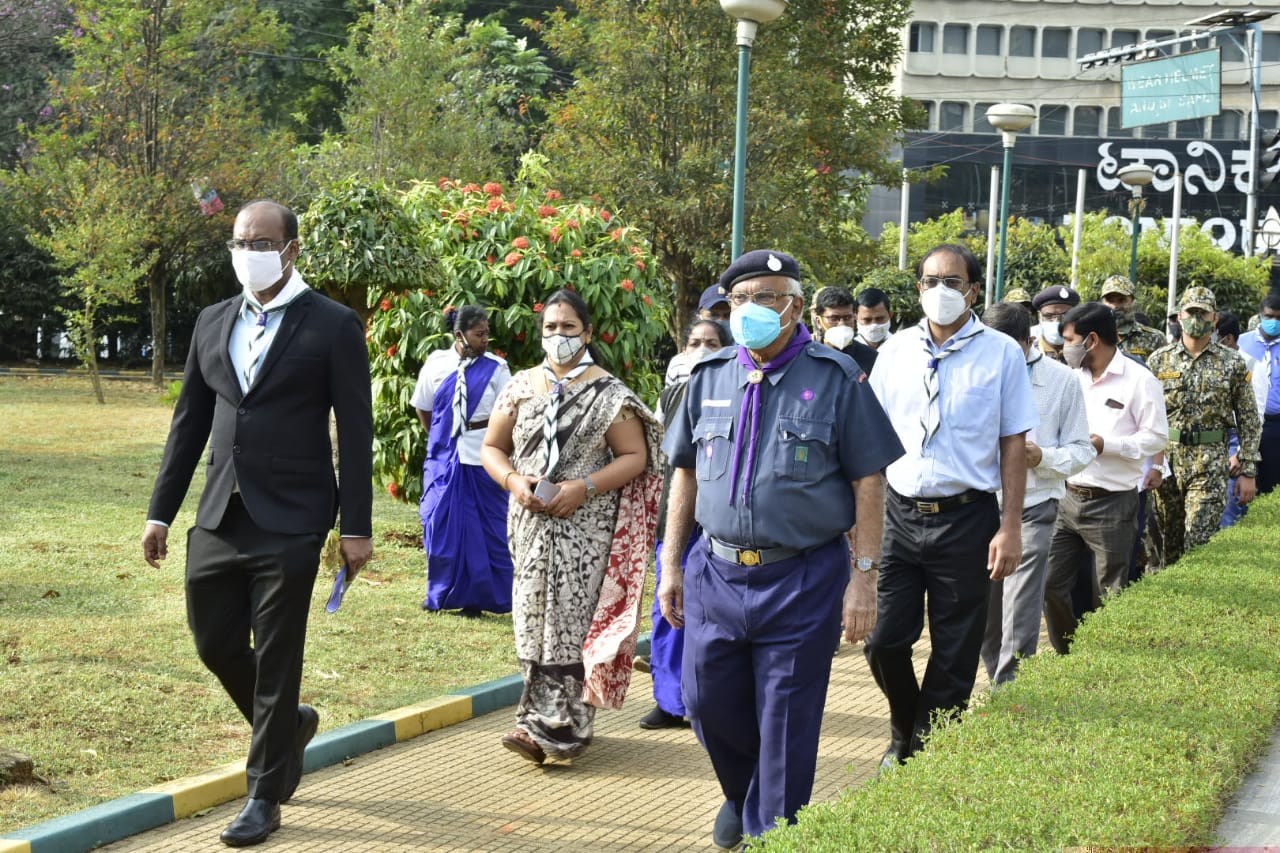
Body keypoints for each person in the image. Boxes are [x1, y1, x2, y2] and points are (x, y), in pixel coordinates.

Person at [142, 200, 373, 847]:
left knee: (277, 657)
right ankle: (289, 725)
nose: (250, 251)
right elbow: (188, 421)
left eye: (263, 241)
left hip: (293, 518)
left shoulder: (331, 324)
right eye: (241, 241)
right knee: (214, 643)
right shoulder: (213, 320)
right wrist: (161, 510)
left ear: (292, 249)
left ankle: (263, 796)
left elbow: (356, 431)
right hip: (219, 513)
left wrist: (356, 525)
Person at [659, 249, 903, 848]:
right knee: (704, 702)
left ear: (795, 306)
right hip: (714, 571)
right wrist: (669, 566)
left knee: (786, 719)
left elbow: (869, 479)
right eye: (739, 300)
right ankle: (743, 792)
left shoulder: (836, 378)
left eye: (763, 298)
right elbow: (684, 475)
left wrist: (864, 578)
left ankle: (773, 832)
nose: (748, 310)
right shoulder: (707, 376)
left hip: (801, 576)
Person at [865, 243, 1036, 769]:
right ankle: (908, 726)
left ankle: (921, 752)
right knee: (883, 642)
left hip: (968, 518)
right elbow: (870, 438)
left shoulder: (1002, 354)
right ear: (917, 288)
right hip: (899, 513)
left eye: (953, 282)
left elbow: (1013, 443)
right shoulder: (893, 352)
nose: (940, 291)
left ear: (974, 290)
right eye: (930, 280)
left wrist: (1010, 526)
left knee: (955, 651)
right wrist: (860, 525)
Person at [481, 288, 662, 765]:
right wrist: (514, 481)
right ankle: (540, 719)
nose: (558, 336)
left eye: (568, 328)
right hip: (530, 526)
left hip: (586, 528)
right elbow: (491, 449)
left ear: (587, 333)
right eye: (550, 328)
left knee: (571, 624)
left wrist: (584, 487)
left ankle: (555, 727)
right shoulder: (520, 386)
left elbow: (635, 457)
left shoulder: (610, 394)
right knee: (530, 620)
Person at [1042, 303, 1167, 655]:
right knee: (1049, 584)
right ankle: (1069, 655)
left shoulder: (1139, 380)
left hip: (1113, 502)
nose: (1064, 346)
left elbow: (1156, 438)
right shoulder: (1071, 377)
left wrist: (1105, 445)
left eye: (1069, 339)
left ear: (1092, 340)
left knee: (1109, 593)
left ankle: (1103, 663)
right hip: (1067, 499)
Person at [979, 303, 1094, 684]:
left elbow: (1082, 449)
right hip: (978, 508)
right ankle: (996, 677)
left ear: (1029, 342)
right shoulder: (971, 372)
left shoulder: (1062, 381)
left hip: (1033, 507)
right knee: (984, 612)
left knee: (1021, 606)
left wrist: (1043, 457)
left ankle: (1010, 694)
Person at [641, 318, 733, 730]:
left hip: (723, 521)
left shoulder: (740, 390)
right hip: (676, 520)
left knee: (716, 613)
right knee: (670, 609)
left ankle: (708, 700)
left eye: (711, 343)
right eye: (693, 342)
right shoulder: (672, 392)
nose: (700, 350)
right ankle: (670, 699)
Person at [1147, 287, 1261, 564]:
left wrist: (1248, 470)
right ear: (1179, 316)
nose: (1196, 318)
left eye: (1203, 313)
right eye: (1191, 312)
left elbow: (1248, 419)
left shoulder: (1232, 362)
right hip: (1167, 459)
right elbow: (1146, 414)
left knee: (1198, 539)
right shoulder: (1158, 360)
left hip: (1209, 459)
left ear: (1214, 319)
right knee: (1166, 544)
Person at [411, 305, 513, 615]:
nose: (485, 340)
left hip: (483, 455)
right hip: (444, 456)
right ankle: (440, 593)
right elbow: (424, 407)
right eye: (479, 334)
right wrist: (444, 435)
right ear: (459, 335)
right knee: (439, 524)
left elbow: (509, 414)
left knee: (486, 531)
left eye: (487, 334)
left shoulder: (497, 368)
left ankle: (477, 600)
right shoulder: (436, 363)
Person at [1237, 293, 1280, 495]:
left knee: (1271, 483)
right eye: (1269, 316)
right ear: (1260, 315)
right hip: (1245, 422)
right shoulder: (1241, 343)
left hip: (1276, 424)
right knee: (1241, 479)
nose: (1274, 322)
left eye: (1279, 318)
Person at [1216, 312, 1249, 529]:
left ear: (1227, 339)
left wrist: (1240, 454)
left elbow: (1253, 418)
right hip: (1212, 441)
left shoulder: (1248, 365)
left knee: (1228, 515)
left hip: (1235, 442)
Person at [664, 284, 733, 386]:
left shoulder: (749, 357)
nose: (720, 321)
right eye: (713, 315)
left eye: (727, 315)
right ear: (699, 317)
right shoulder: (679, 365)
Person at [813, 284, 878, 376]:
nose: (842, 324)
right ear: (819, 322)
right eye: (834, 318)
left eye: (847, 318)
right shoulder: (807, 358)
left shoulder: (871, 358)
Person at [1100, 274, 1167, 362]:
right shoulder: (1092, 337)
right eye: (1110, 300)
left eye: (1122, 300)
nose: (1115, 306)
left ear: (1133, 302)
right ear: (1102, 303)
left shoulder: (1154, 338)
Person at [1030, 285, 1080, 363]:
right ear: (1040, 317)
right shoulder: (1029, 353)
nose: (1057, 321)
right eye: (1049, 316)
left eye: (1065, 315)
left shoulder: (1083, 354)